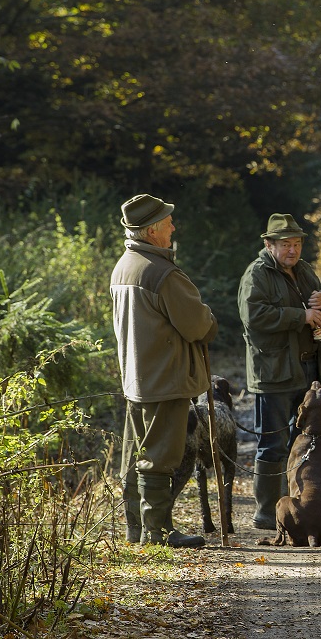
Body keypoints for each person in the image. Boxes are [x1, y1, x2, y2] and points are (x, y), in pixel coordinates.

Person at [111, 194, 218, 548]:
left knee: (136, 456)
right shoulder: (162, 273)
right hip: (166, 379)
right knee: (159, 459)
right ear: (152, 230)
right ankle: (157, 534)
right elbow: (198, 326)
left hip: (136, 379)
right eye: (168, 222)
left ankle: (137, 531)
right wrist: (210, 319)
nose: (173, 227)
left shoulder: (123, 266)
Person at [238, 213, 321, 530]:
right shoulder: (256, 275)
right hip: (274, 373)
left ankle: (299, 509)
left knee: (304, 443)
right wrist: (301, 316)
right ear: (269, 245)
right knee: (273, 444)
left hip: (307, 369)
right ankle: (267, 513)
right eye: (285, 244)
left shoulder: (303, 269)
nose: (292, 250)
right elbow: (254, 316)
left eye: (296, 244)